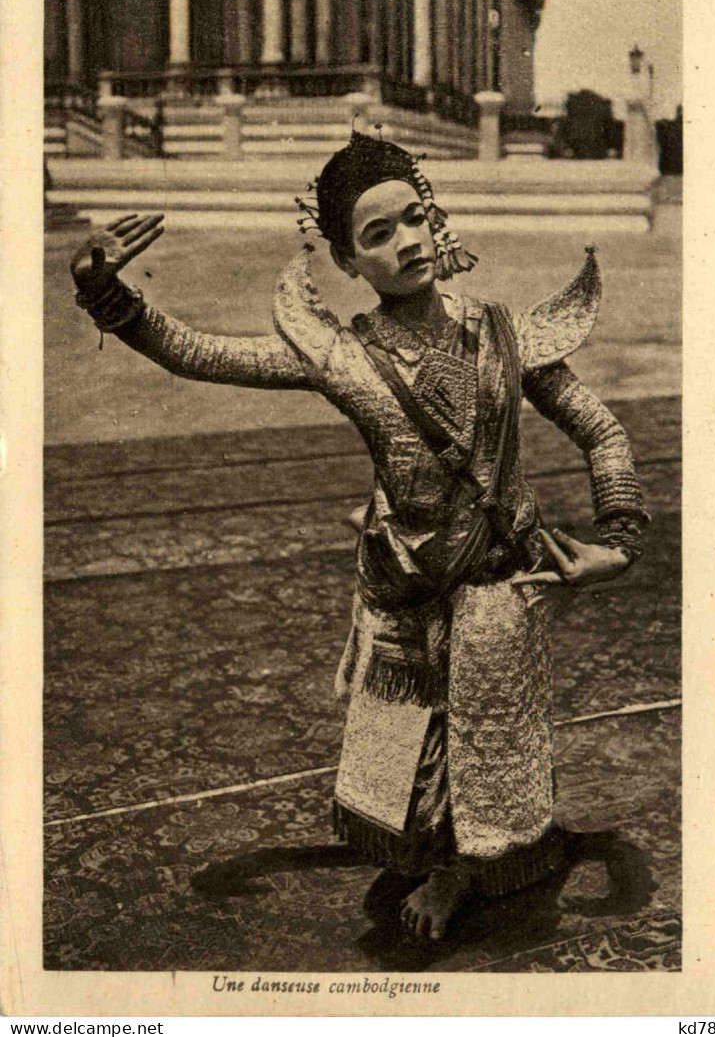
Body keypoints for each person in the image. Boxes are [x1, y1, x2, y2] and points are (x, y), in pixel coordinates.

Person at [69, 129, 647, 942]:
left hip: (493, 579)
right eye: (376, 234)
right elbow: (198, 354)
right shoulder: (340, 356)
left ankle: (461, 873)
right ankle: (435, 854)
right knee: (405, 744)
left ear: (434, 217)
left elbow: (600, 429)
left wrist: (616, 535)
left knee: (487, 738)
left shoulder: (506, 334)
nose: (407, 241)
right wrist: (107, 297)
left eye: (414, 217)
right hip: (401, 580)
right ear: (345, 262)